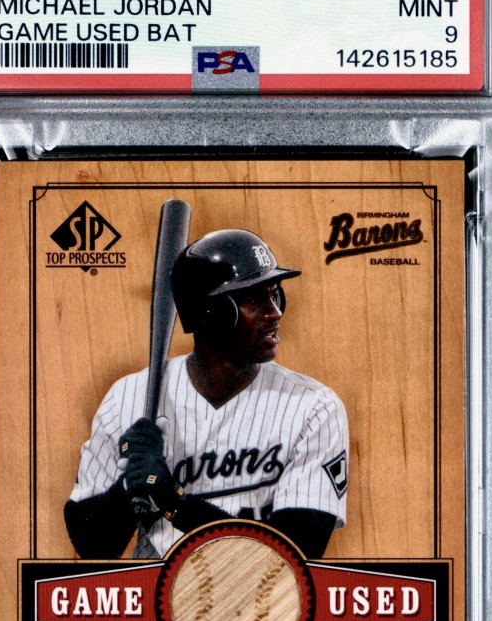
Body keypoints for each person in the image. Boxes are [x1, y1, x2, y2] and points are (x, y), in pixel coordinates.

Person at [65, 229, 348, 559]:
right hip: (157, 586)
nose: (275, 312)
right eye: (255, 299)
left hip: (262, 591)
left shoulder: (313, 407)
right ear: (211, 313)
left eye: (275, 295)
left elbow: (296, 552)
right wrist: (129, 484)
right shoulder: (128, 397)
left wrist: (173, 503)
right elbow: (91, 546)